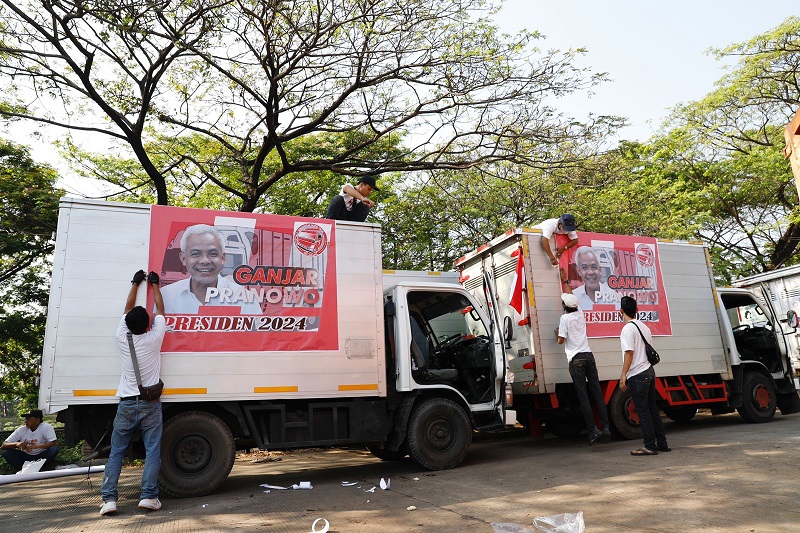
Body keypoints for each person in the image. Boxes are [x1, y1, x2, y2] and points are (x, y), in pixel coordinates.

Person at [101, 270, 167, 516]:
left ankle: (109, 501)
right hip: (150, 404)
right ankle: (149, 497)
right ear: (148, 324)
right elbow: (161, 309)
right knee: (152, 451)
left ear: (127, 323)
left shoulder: (122, 336)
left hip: (126, 404)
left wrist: (134, 284)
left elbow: (127, 308)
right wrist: (155, 286)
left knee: (116, 452)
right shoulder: (154, 338)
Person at [557, 270, 611, 445]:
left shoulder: (564, 319)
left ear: (564, 306)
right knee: (597, 393)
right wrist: (565, 279)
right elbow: (571, 296)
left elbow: (560, 341)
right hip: (589, 356)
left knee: (583, 397)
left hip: (576, 359)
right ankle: (606, 427)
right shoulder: (580, 312)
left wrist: (556, 334)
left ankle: (593, 430)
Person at [160, 224, 262, 314]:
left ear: (223, 258)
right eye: (196, 254)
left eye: (213, 254)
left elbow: (257, 336)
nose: (205, 261)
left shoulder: (245, 299)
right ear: (183, 259)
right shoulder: (165, 297)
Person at [619, 295, 670, 456]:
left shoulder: (627, 329)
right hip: (649, 372)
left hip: (638, 374)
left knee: (643, 411)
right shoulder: (644, 328)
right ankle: (662, 443)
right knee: (652, 409)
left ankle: (649, 446)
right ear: (637, 310)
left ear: (621, 311)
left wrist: (623, 375)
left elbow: (629, 353)